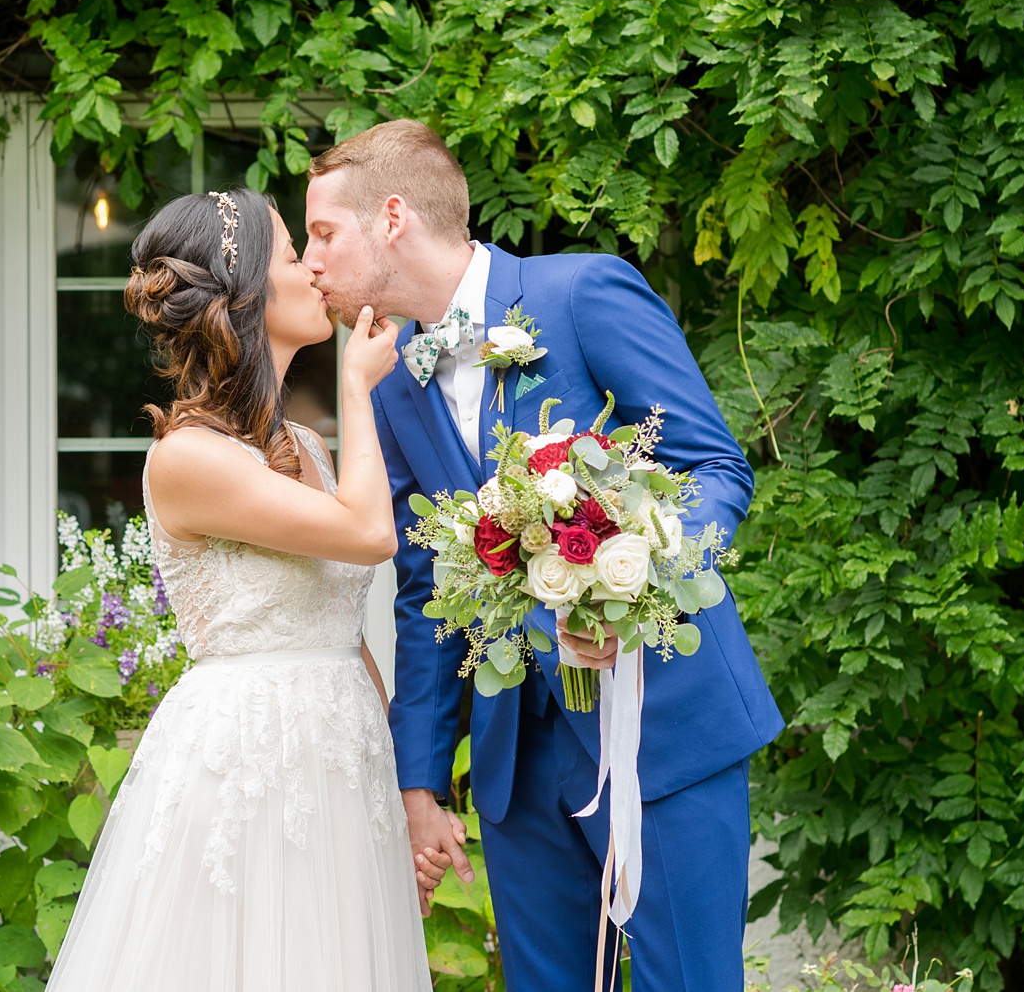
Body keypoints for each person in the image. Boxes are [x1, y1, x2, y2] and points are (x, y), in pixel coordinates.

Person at [302, 120, 785, 992]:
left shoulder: (582, 293)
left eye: (324, 232)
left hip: (660, 729)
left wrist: (625, 585)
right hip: (518, 765)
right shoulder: (397, 380)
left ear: (395, 217)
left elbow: (715, 465)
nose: (310, 260)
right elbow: (427, 590)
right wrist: (420, 776)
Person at [44, 187, 432, 992]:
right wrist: (359, 385)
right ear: (249, 292)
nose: (316, 269)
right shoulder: (188, 458)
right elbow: (371, 532)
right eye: (295, 255)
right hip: (245, 767)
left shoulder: (311, 448)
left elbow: (345, 633)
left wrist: (396, 793)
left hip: (340, 762)